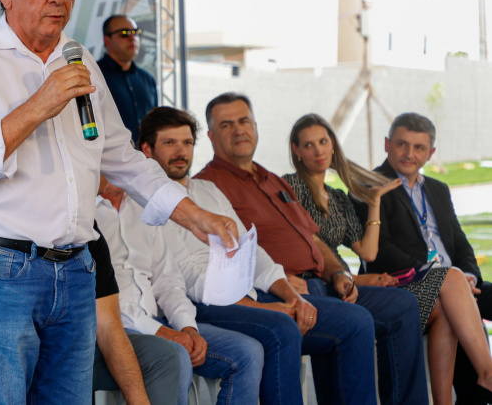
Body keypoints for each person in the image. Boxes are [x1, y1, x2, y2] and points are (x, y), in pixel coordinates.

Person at [0, 0, 238, 404]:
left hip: (74, 271)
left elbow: (122, 157)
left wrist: (193, 215)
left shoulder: (79, 59)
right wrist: (39, 105)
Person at [195, 92, 429, 405]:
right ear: (211, 136)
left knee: (403, 305)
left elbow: (313, 238)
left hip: (322, 284)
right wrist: (277, 282)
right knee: (355, 322)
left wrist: (340, 274)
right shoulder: (208, 187)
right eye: (227, 125)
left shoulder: (272, 180)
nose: (239, 130)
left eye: (244, 121)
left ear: (255, 126)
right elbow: (219, 259)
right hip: (278, 292)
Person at [141, 107, 376, 404]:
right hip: (201, 304)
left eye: (187, 143)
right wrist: (264, 308)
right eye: (169, 143)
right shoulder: (146, 200)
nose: (181, 152)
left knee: (356, 321)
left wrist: (292, 297)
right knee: (282, 327)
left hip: (245, 296)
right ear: (147, 150)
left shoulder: (207, 190)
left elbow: (250, 252)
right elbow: (188, 279)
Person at [0, 221, 180, 404]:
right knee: (19, 360)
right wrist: (20, 331)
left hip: (53, 341)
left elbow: (108, 324)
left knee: (162, 353)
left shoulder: (83, 232)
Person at [357, 112, 492, 404]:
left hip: (458, 283)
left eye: (419, 147)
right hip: (406, 284)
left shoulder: (438, 189)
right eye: (401, 144)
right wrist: (440, 277)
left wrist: (468, 276)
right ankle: (487, 376)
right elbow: (381, 250)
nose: (409, 153)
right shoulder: (368, 186)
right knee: (450, 291)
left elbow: (459, 242)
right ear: (387, 144)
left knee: (460, 287)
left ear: (430, 153)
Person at [95, 176, 264, 405]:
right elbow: (97, 297)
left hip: (158, 320)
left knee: (248, 353)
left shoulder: (142, 208)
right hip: (112, 327)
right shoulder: (84, 215)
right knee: (176, 354)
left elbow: (168, 281)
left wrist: (187, 327)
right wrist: (163, 332)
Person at [97, 15, 157, 144]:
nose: (132, 38)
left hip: (145, 154)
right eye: (124, 33)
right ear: (107, 41)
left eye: (136, 32)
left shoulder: (147, 79)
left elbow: (156, 123)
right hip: (108, 154)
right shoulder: (93, 75)